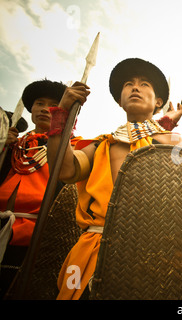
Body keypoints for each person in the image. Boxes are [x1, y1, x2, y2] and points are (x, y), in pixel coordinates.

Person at [47, 58, 182, 300]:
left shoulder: (171, 143)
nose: (135, 87)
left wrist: (163, 125)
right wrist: (62, 114)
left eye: (144, 85)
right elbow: (65, 170)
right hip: (94, 244)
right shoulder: (101, 143)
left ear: (158, 102)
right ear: (120, 100)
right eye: (129, 84)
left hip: (148, 251)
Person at [0, 79, 77, 298]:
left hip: (37, 234)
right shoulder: (13, 146)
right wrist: (2, 145)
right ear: (31, 109)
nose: (44, 109)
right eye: (39, 103)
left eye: (53, 104)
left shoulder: (71, 146)